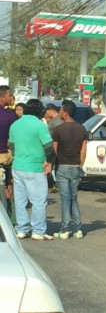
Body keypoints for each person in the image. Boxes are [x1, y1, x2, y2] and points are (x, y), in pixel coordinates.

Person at [9, 99, 56, 241]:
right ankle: (38, 230)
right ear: (39, 111)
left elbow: (12, 145)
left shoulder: (15, 125)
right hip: (35, 167)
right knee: (39, 201)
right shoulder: (40, 125)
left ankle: (22, 229)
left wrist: (18, 156)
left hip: (17, 166)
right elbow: (48, 146)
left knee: (20, 200)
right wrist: (48, 160)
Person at [52, 100, 88, 239]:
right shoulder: (81, 129)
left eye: (61, 110)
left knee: (65, 198)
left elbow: (54, 151)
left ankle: (65, 229)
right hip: (75, 166)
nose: (60, 112)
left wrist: (52, 165)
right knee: (73, 197)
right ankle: (77, 228)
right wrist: (80, 165)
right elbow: (83, 150)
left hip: (62, 166)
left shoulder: (58, 130)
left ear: (65, 113)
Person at [0, 86, 17, 215]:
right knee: (6, 189)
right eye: (10, 95)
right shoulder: (10, 116)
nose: (11, 98)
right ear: (2, 97)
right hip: (4, 157)